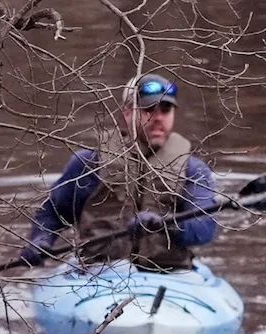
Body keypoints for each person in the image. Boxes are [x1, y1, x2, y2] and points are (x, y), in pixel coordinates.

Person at [22, 73, 219, 271]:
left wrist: (166, 225)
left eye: (165, 110)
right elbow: (52, 213)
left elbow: (204, 229)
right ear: (127, 113)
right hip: (101, 274)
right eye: (149, 109)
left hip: (171, 274)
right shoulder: (89, 164)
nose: (158, 118)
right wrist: (40, 240)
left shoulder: (193, 170)